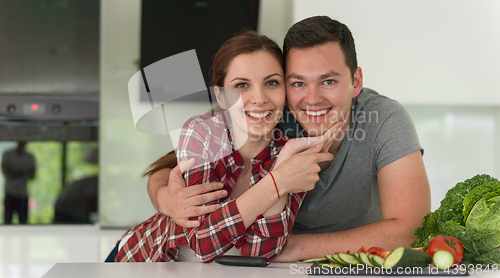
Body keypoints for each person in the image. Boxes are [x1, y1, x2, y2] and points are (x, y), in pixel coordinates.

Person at [147, 16, 432, 261]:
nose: (312, 99)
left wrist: (298, 247)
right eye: (297, 83)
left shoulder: (385, 119)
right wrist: (164, 196)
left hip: (331, 266)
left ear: (356, 81)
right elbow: (171, 167)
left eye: (329, 81)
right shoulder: (268, 114)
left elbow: (411, 231)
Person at [112, 31, 339, 262]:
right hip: (138, 259)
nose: (259, 98)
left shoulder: (290, 154)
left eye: (272, 82)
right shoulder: (202, 132)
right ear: (221, 96)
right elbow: (202, 243)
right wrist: (277, 182)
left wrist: (283, 168)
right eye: (241, 85)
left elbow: (260, 254)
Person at [2, 141, 36, 224]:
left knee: (23, 221)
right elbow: (4, 170)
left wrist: (16, 172)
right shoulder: (8, 155)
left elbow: (32, 175)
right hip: (10, 192)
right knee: (7, 221)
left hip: (22, 194)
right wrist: (22, 173)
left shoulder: (29, 157)